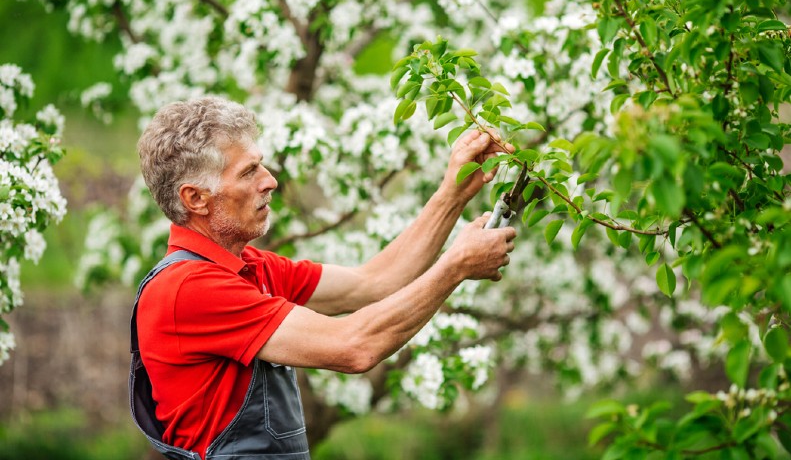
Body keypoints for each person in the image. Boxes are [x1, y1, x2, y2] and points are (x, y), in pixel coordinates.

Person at [130, 96, 516, 460]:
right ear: (196, 198)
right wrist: (454, 267)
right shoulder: (189, 290)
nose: (270, 181)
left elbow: (375, 283)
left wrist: (453, 193)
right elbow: (354, 346)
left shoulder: (251, 268)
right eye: (249, 172)